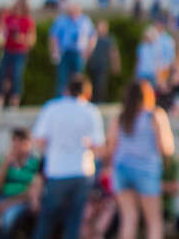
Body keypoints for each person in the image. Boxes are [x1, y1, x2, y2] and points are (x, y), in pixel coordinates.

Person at [31, 73, 106, 239]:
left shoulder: (52, 108)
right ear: (87, 93)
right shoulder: (91, 111)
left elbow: (39, 140)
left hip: (57, 171)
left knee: (47, 221)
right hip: (82, 171)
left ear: (66, 90)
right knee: (74, 222)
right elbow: (99, 146)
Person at [109, 80, 175, 239]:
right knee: (153, 221)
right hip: (146, 169)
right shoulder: (154, 115)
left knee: (129, 218)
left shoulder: (121, 117)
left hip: (121, 169)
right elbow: (165, 147)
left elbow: (112, 147)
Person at [0, 0, 36, 108]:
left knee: (16, 76)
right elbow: (1, 32)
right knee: (1, 74)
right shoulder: (7, 18)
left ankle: (15, 99)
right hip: (7, 50)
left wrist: (22, 39)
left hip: (19, 52)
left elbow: (32, 40)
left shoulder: (27, 21)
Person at [49, 2, 97, 97]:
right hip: (65, 52)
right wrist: (54, 51)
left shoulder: (85, 21)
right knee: (63, 78)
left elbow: (92, 37)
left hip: (79, 53)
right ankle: (61, 99)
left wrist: (88, 51)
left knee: (78, 79)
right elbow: (54, 37)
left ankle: (79, 97)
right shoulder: (61, 20)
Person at [86, 19, 122, 103]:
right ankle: (93, 101)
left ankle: (100, 101)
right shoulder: (92, 38)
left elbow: (113, 53)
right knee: (92, 85)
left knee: (101, 85)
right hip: (93, 65)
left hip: (103, 66)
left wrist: (116, 65)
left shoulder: (109, 39)